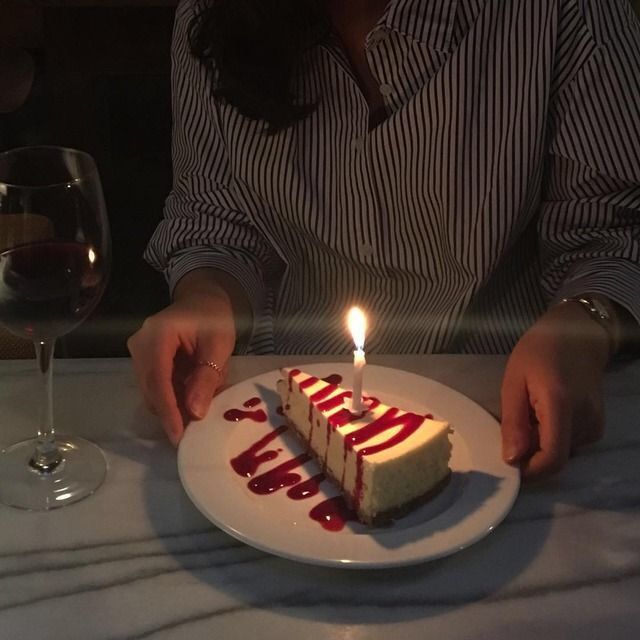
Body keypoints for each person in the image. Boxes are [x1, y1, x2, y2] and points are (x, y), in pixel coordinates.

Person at [128, 0, 640, 481]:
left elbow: (610, 231)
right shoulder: (213, 16)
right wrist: (209, 298)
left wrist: (583, 325)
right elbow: (218, 220)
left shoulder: (559, 14)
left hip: (505, 403)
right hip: (287, 407)